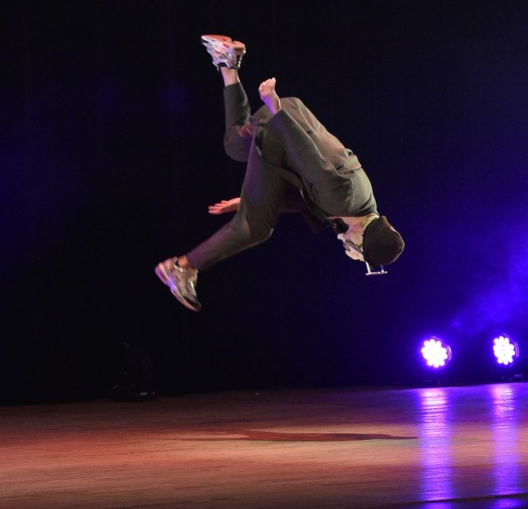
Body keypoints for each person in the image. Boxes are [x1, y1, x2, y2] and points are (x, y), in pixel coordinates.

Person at [154, 34, 405, 311]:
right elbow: (306, 155)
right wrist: (274, 108)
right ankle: (181, 268)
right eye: (360, 253)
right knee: (255, 227)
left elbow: (304, 198)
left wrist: (248, 199)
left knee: (235, 146)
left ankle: (227, 62)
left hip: (292, 116)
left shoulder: (360, 206)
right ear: (363, 238)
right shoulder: (344, 201)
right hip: (281, 132)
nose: (354, 255)